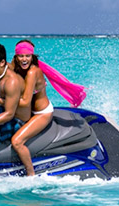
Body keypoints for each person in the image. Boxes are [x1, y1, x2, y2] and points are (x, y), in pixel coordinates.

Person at [8, 39, 88, 176]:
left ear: (32, 56)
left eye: (27, 56)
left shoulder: (33, 72)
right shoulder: (15, 67)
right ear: (16, 56)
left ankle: (30, 174)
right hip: (28, 113)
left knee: (17, 142)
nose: (24, 59)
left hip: (41, 114)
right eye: (21, 56)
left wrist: (4, 101)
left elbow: (26, 101)